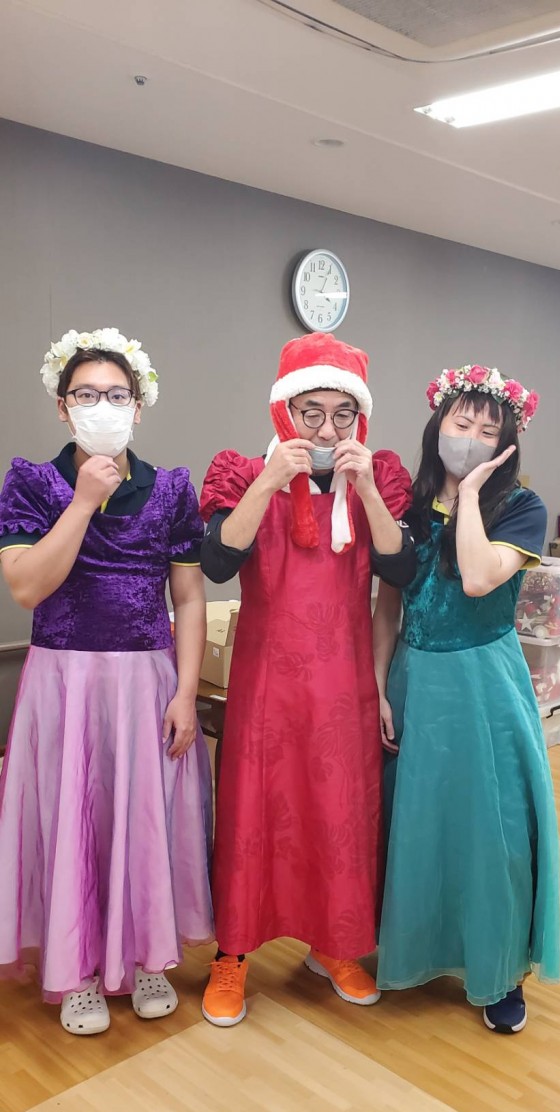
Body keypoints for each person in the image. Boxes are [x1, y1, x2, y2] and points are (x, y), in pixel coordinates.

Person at [0, 327, 213, 1034]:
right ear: (63, 407)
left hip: (146, 679)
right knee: (75, 819)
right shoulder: (32, 482)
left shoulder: (171, 488)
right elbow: (27, 587)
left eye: (117, 395)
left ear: (138, 406)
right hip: (64, 680)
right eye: (86, 395)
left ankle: (148, 957)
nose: (103, 407)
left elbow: (188, 598)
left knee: (146, 818)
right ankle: (81, 970)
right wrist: (83, 501)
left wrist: (185, 691)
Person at [199, 332, 415, 1025]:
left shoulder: (378, 477)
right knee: (252, 813)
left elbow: (400, 569)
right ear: (284, 411)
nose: (326, 429)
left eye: (341, 414)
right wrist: (269, 480)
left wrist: (365, 488)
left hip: (344, 682)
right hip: (266, 682)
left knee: (339, 813)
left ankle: (335, 943)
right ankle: (233, 954)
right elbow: (217, 563)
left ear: (360, 417)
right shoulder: (241, 472)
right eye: (311, 412)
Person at [374, 364, 560, 1033]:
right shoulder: (407, 503)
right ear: (437, 427)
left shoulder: (522, 508)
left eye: (489, 430)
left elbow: (480, 578)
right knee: (417, 822)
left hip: (485, 684)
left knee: (494, 830)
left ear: (506, 443)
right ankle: (416, 949)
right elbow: (387, 604)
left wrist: (473, 495)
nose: (472, 439)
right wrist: (377, 686)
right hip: (415, 680)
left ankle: (498, 968)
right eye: (462, 423)